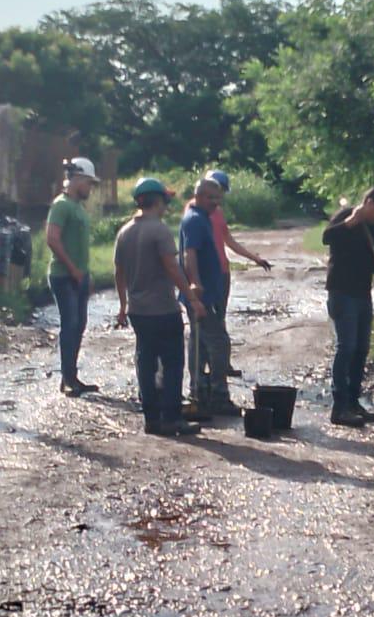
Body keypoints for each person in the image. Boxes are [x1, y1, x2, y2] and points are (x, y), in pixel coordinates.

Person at [114, 178, 206, 436]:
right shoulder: (159, 230)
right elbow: (171, 267)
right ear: (157, 201)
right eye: (165, 200)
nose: (167, 205)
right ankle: (172, 418)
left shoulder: (124, 232)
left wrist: (123, 307)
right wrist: (192, 297)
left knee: (145, 362)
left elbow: (118, 273)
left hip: (137, 311)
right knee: (173, 363)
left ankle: (152, 419)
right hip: (162, 309)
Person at [323, 187, 374, 428]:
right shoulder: (346, 217)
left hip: (363, 294)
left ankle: (354, 403)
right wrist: (351, 221)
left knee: (361, 349)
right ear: (369, 203)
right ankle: (339, 407)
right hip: (341, 291)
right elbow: (327, 238)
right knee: (346, 347)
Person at [200, 169, 272, 377]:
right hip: (208, 275)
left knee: (219, 318)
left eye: (221, 192)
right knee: (207, 322)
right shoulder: (195, 212)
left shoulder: (218, 213)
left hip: (222, 272)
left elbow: (229, 241)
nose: (219, 196)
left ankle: (221, 365)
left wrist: (254, 258)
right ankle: (207, 369)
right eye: (216, 191)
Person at [179, 177, 238, 416]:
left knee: (200, 342)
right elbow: (189, 254)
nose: (216, 203)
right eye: (212, 198)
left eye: (218, 198)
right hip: (201, 294)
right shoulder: (194, 220)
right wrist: (195, 284)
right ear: (199, 196)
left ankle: (199, 392)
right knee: (219, 343)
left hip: (207, 293)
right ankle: (217, 395)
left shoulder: (202, 217)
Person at [46, 156, 99, 397]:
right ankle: (67, 379)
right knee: (70, 325)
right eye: (88, 183)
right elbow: (52, 239)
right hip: (64, 276)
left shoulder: (77, 207)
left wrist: (85, 274)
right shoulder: (61, 205)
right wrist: (73, 269)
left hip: (78, 276)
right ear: (77, 179)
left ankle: (72, 375)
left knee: (79, 325)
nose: (90, 188)